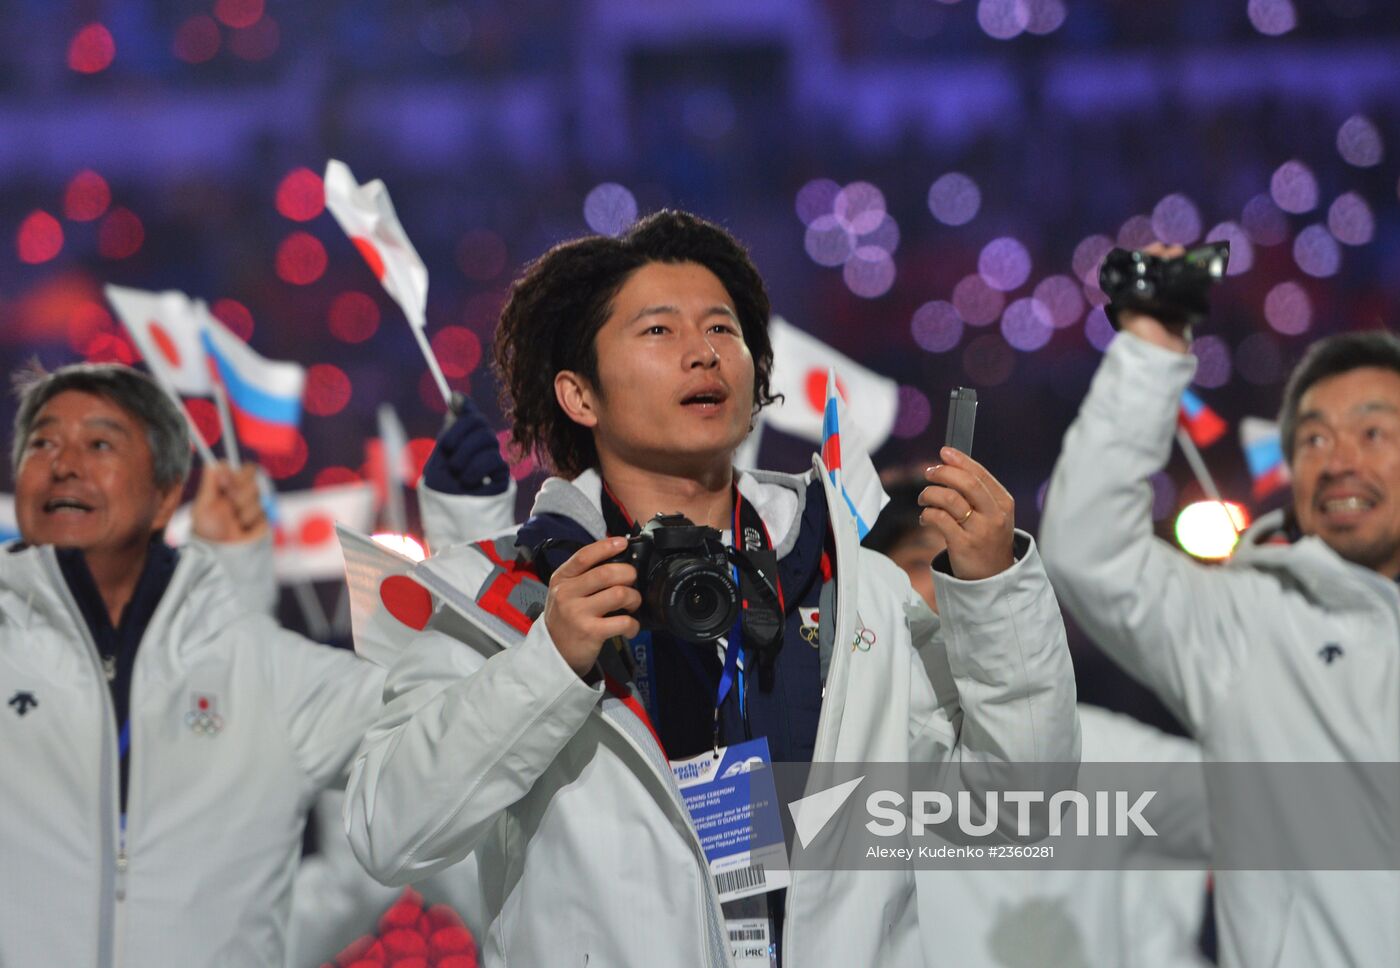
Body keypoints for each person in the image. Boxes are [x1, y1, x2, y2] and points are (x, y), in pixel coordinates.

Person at [343, 209, 1080, 967]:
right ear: (579, 395)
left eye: (724, 330)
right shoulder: (496, 598)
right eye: (659, 331)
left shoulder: (850, 581)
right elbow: (387, 832)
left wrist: (995, 591)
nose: (704, 353)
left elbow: (1014, 811)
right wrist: (549, 664)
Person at [1039, 243, 1400, 966]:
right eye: (1313, 439)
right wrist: (1150, 348)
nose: (1337, 461)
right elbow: (1089, 550)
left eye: (1373, 432)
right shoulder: (1248, 621)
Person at [0, 362, 385, 968]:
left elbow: (441, 740)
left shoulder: (269, 673)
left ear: (165, 495)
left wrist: (469, 519)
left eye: (98, 443)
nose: (63, 462)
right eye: (41, 442)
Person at [866, 476, 1210, 968]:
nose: (953, 587)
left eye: (975, 566)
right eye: (924, 564)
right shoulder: (853, 752)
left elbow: (1257, 808)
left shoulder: (1101, 749)